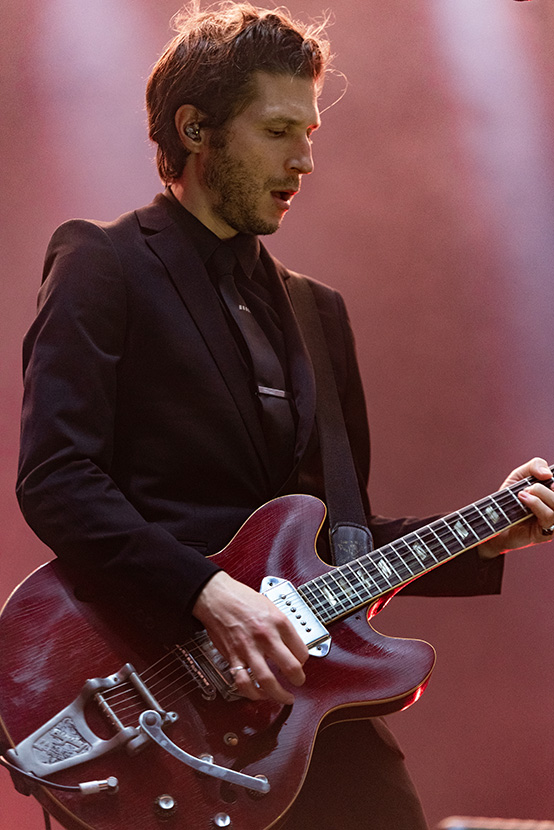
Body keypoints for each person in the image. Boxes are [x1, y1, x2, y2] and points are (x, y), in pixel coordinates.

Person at [16, 3, 554, 828]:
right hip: (155, 700)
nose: (303, 159)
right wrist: (209, 593)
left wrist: (489, 530)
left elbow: (340, 542)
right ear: (195, 128)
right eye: (277, 132)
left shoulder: (316, 312)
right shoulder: (104, 263)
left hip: (307, 702)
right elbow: (57, 478)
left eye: (309, 133)